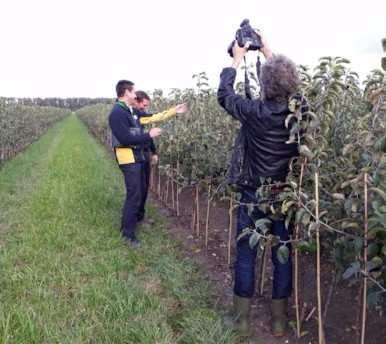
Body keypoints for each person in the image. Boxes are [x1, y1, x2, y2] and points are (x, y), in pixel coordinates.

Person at [217, 37, 301, 337]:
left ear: (264, 84)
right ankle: (279, 320)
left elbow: (224, 95)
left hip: (253, 193)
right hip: (285, 195)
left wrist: (237, 59)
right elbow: (293, 83)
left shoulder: (254, 112)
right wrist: (266, 49)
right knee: (282, 252)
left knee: (245, 253)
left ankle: (241, 320)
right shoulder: (298, 113)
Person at [109, 80, 187, 248]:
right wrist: (149, 136)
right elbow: (125, 138)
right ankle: (127, 234)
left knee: (142, 190)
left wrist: (174, 111)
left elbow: (153, 117)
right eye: (133, 91)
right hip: (127, 158)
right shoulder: (117, 113)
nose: (135, 94)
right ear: (125, 92)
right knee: (134, 194)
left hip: (137, 156)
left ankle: (137, 220)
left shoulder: (130, 111)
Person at [133, 90, 158, 223]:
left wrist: (154, 152)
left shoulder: (141, 116)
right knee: (138, 188)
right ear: (136, 101)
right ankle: (135, 217)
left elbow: (148, 136)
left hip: (145, 155)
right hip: (135, 156)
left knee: (145, 186)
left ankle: (140, 216)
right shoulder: (130, 116)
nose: (145, 108)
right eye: (144, 105)